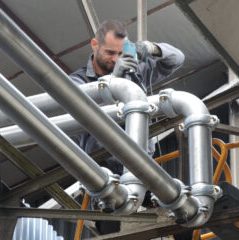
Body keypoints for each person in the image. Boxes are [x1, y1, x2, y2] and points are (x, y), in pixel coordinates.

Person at [69, 19, 185, 176]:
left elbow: (177, 58)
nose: (116, 59)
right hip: (101, 169)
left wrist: (152, 48)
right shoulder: (77, 81)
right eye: (110, 53)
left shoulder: (134, 71)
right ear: (95, 45)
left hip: (141, 165)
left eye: (121, 53)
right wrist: (114, 79)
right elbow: (82, 107)